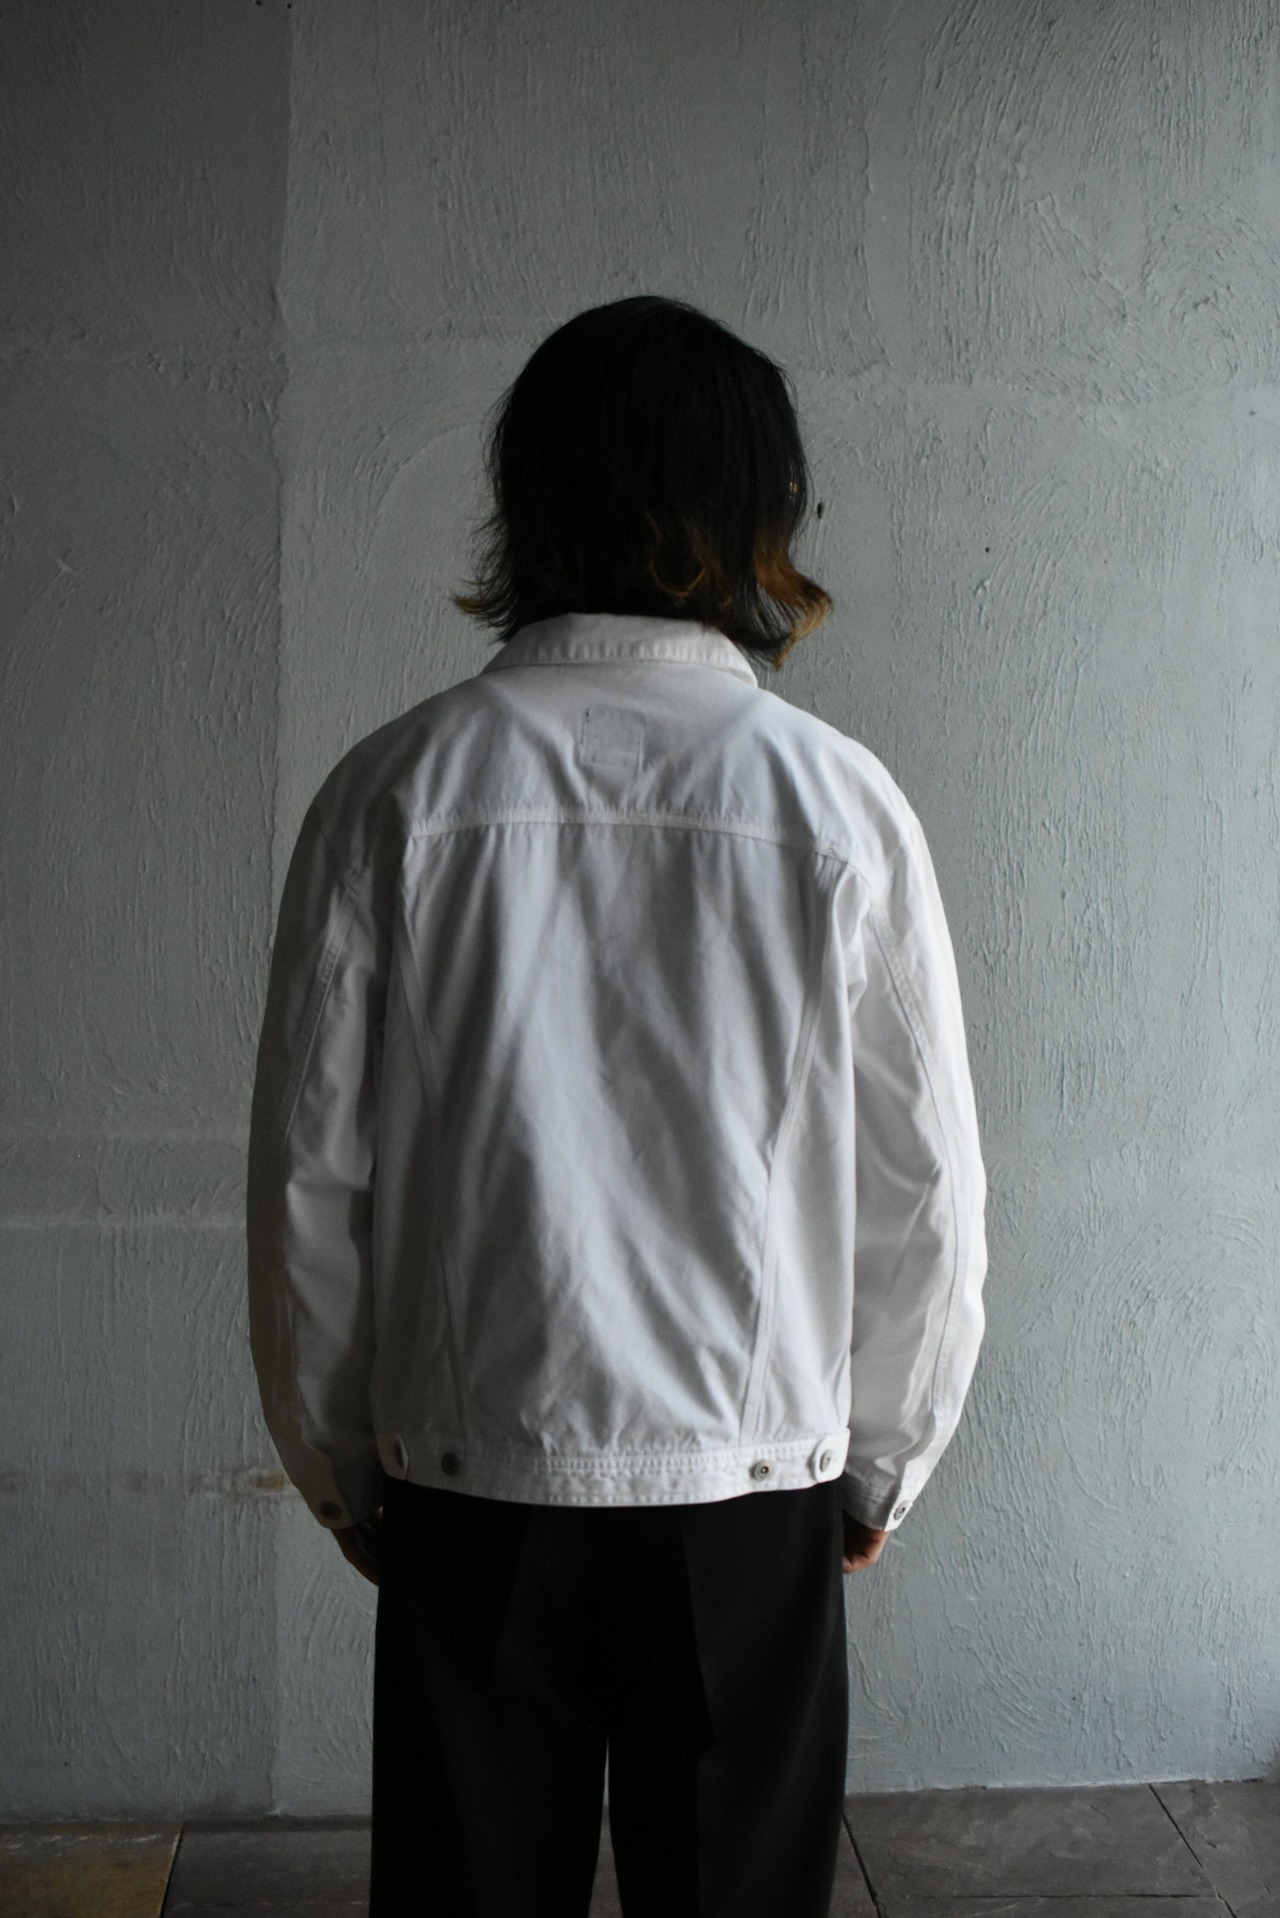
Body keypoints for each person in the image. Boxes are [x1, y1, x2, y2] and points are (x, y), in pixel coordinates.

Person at [246, 294, 987, 1918]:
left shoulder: (394, 792)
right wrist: (882, 1458)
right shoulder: (840, 805)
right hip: (752, 1483)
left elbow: (310, 1182)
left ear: (527, 501)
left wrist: (344, 1466)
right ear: (759, 512)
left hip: (471, 1472)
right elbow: (924, 1193)